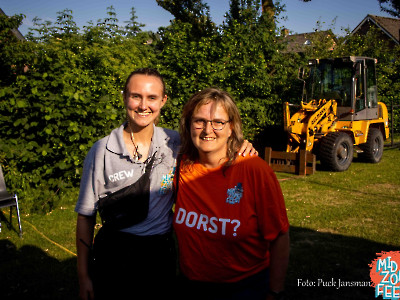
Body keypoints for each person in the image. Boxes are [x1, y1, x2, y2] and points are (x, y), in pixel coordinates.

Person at [75, 68, 257, 300]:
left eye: (152, 98)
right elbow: (85, 216)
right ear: (124, 98)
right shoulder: (101, 150)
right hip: (115, 254)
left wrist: (240, 144)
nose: (143, 105)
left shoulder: (176, 143)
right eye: (135, 96)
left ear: (163, 101)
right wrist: (83, 276)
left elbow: (213, 143)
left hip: (159, 254)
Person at [174, 87, 290, 300]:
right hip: (190, 286)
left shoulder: (255, 170)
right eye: (199, 121)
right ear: (189, 125)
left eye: (218, 122)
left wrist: (274, 292)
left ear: (231, 127)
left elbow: (279, 236)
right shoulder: (180, 166)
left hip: (245, 288)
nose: (208, 130)